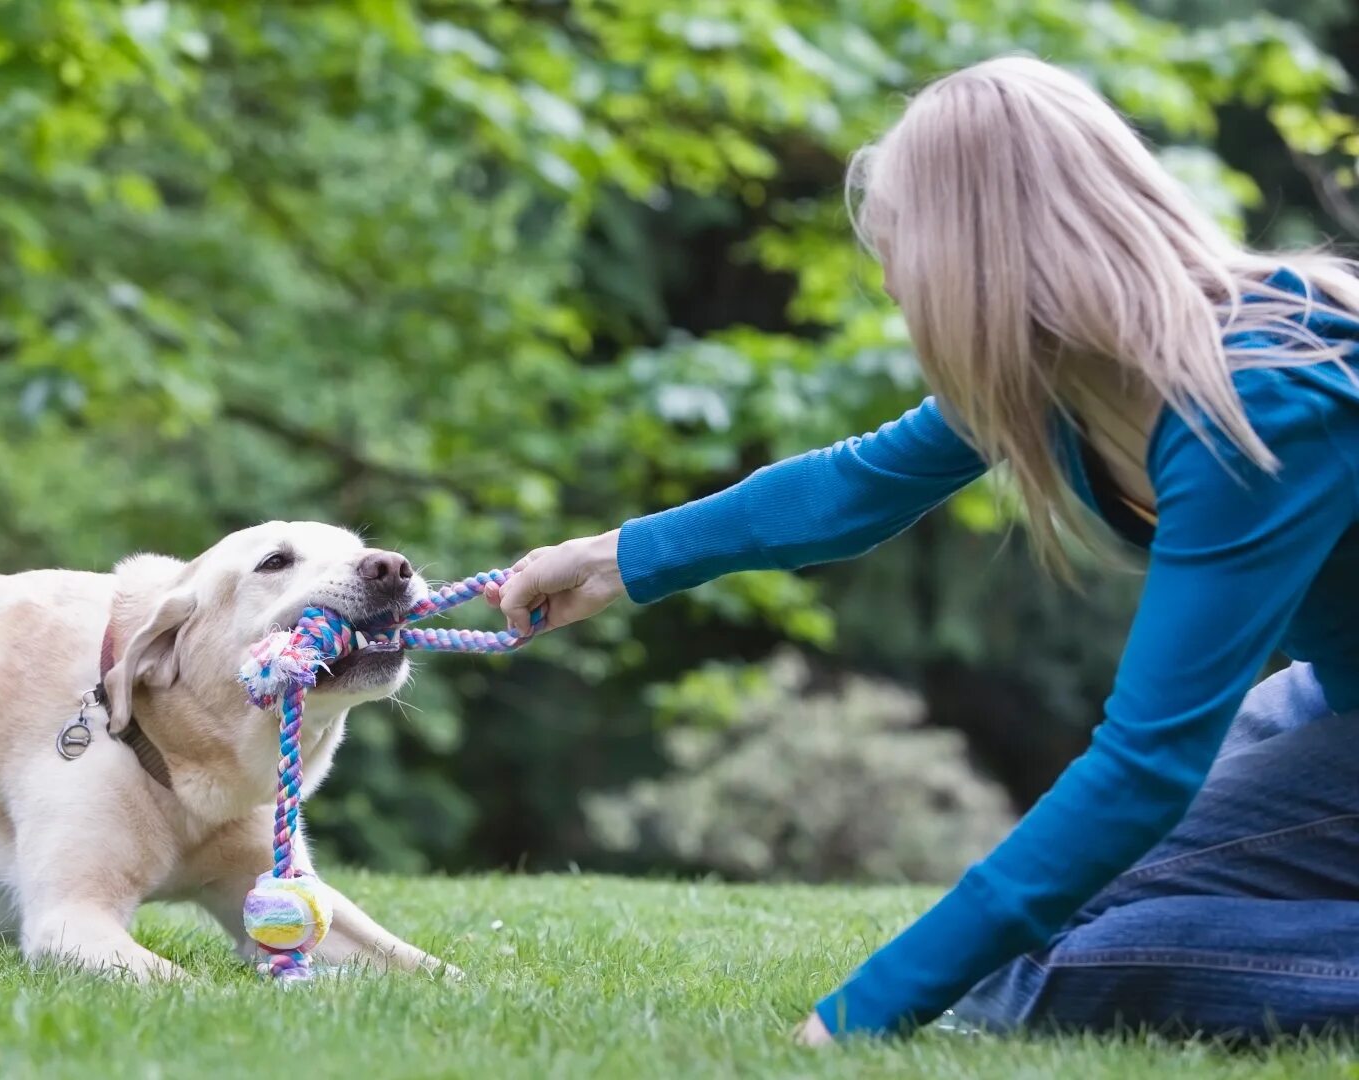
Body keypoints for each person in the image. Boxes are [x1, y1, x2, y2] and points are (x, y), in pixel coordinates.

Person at [487, 55, 1359, 1041]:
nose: (894, 282)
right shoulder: (1067, 376)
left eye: (900, 247)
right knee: (1048, 924)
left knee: (1040, 972)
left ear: (976, 254)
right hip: (1334, 701)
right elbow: (852, 485)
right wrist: (613, 559)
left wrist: (861, 1014)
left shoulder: (1258, 402)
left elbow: (1144, 767)